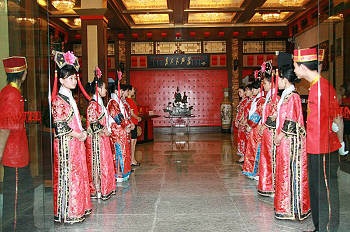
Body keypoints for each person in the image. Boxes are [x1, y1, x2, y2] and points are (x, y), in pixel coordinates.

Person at [293, 48, 346, 232]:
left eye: (295, 65)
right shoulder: (315, 87)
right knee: (316, 190)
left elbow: (336, 119)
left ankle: (328, 228)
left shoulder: (322, 88)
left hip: (323, 149)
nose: (294, 69)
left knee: (326, 192)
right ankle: (319, 226)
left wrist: (340, 143)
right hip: (314, 147)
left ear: (302, 67)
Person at [51, 51, 92, 223]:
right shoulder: (58, 100)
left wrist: (82, 133)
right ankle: (69, 212)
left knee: (78, 174)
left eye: (75, 78)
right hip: (67, 145)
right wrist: (79, 134)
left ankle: (79, 208)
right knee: (69, 176)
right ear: (60, 80)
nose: (74, 81)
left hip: (76, 143)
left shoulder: (69, 97)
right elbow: (60, 126)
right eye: (70, 78)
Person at [273, 52, 310, 221]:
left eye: (279, 79)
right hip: (284, 142)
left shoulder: (293, 97)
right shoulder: (286, 96)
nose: (277, 82)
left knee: (290, 173)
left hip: (290, 142)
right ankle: (284, 206)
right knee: (284, 172)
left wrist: (280, 135)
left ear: (285, 79)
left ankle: (294, 209)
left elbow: (292, 120)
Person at [0, 56, 35, 231]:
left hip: (20, 155)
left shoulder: (13, 92)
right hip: (13, 157)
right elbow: (5, 128)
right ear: (23, 73)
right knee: (14, 198)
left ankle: (27, 227)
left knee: (24, 195)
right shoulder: (11, 94)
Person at [85, 67, 116, 200]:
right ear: (98, 89)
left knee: (104, 163)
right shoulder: (93, 105)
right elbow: (93, 123)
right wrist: (104, 131)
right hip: (96, 140)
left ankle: (104, 188)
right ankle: (97, 188)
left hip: (102, 138)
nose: (105, 90)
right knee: (97, 163)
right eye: (104, 88)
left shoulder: (99, 103)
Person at [257, 62, 279, 196]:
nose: (263, 86)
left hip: (271, 132)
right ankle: (266, 184)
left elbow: (274, 116)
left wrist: (264, 125)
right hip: (265, 132)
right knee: (266, 158)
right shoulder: (267, 98)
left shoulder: (274, 98)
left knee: (271, 159)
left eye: (265, 83)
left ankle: (272, 185)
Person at [107, 72, 133, 182]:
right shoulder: (113, 102)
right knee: (118, 152)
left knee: (124, 152)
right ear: (116, 91)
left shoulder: (118, 102)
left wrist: (128, 124)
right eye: (120, 90)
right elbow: (117, 117)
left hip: (122, 131)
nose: (122, 92)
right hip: (117, 132)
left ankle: (124, 172)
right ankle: (118, 174)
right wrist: (126, 126)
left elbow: (123, 115)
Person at [242, 78, 264, 180]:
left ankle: (256, 172)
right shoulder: (257, 99)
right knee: (252, 149)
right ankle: (250, 170)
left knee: (256, 149)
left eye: (254, 89)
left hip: (257, 126)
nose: (253, 91)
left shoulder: (261, 100)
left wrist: (250, 124)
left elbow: (257, 114)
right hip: (253, 126)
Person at [126, 84, 142, 167]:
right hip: (132, 123)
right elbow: (131, 113)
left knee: (134, 142)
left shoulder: (131, 100)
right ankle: (131, 160)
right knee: (132, 143)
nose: (134, 91)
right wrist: (137, 117)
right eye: (133, 89)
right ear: (128, 91)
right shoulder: (128, 101)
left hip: (134, 123)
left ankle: (133, 159)